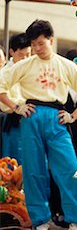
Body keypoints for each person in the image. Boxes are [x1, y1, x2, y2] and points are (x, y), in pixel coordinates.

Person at [0, 20, 77, 230]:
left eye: (41, 43)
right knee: (33, 171)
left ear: (51, 39)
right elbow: (1, 87)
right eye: (34, 44)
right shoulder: (24, 65)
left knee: (69, 168)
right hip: (31, 116)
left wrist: (73, 116)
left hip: (58, 119)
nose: (37, 48)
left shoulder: (67, 66)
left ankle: (76, 219)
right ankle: (40, 221)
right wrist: (16, 107)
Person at [0, 33, 31, 162]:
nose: (25, 59)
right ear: (12, 52)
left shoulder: (31, 69)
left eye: (28, 55)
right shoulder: (5, 73)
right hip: (13, 122)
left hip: (31, 121)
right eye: (21, 55)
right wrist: (18, 105)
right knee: (12, 163)